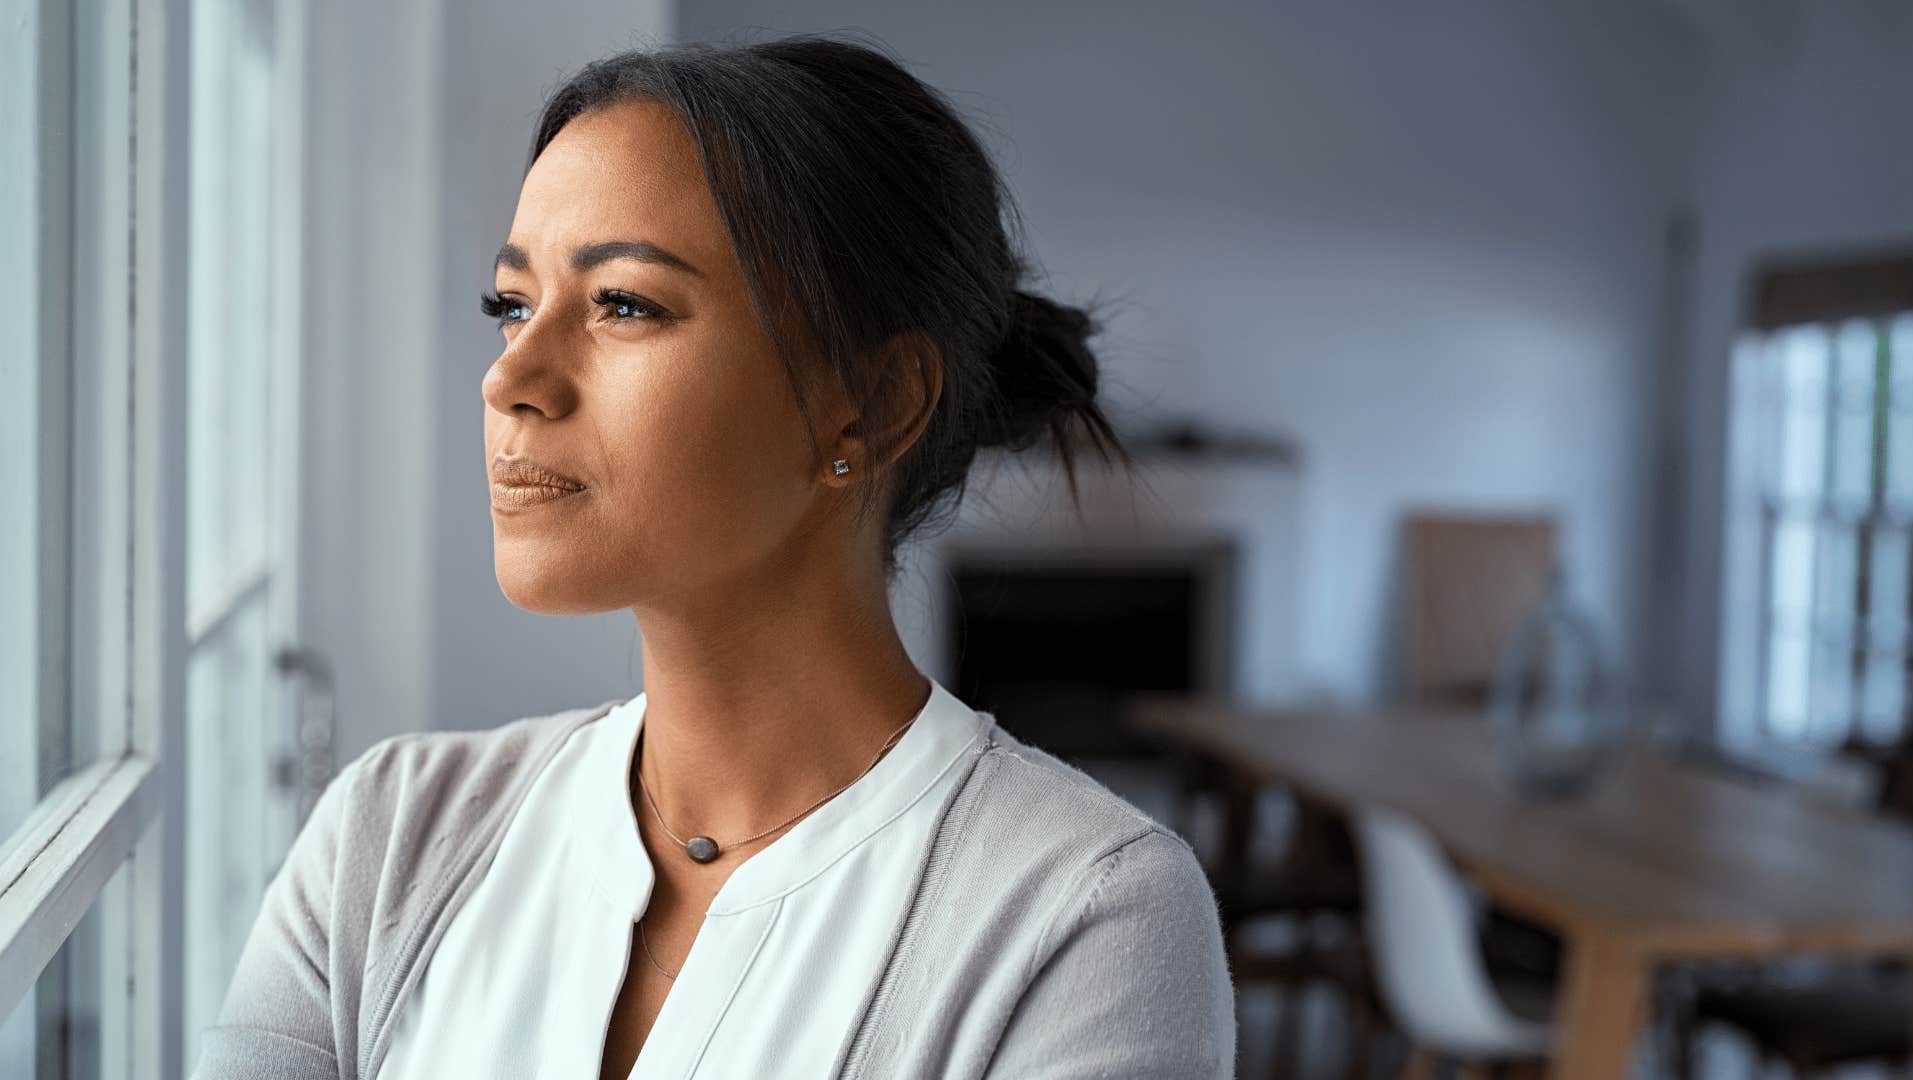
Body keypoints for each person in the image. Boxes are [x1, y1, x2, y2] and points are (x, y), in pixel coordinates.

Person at [193, 32, 1235, 1080]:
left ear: (872, 405)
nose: (511, 378)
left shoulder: (1087, 920)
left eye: (624, 305)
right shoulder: (388, 838)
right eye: (513, 305)